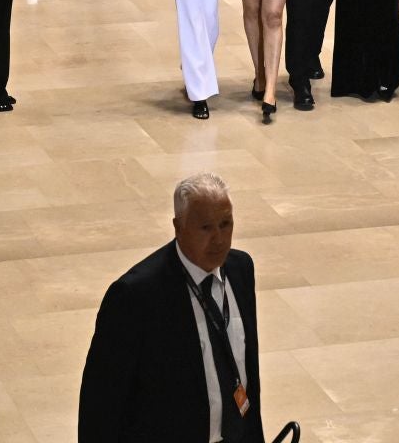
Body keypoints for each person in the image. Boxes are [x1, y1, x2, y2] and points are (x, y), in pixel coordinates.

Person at [77, 174, 265, 443]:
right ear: (179, 227)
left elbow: (248, 377)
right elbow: (101, 405)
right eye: (206, 228)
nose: (219, 239)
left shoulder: (241, 269)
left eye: (226, 224)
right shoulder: (135, 296)